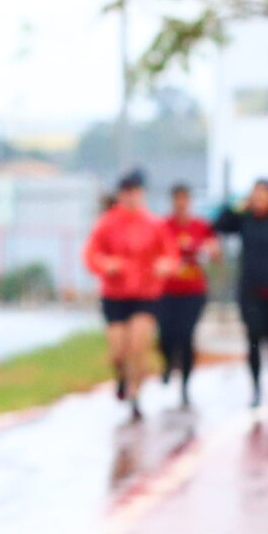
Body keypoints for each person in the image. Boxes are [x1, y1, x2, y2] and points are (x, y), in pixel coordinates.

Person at [83, 170, 172, 418]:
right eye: (127, 193)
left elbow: (170, 254)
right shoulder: (107, 224)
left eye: (135, 192)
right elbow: (91, 254)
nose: (131, 198)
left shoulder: (155, 224)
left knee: (138, 345)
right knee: (118, 351)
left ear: (142, 194)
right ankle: (122, 377)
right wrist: (105, 264)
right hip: (115, 294)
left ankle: (135, 394)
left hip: (146, 293)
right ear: (120, 195)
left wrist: (165, 265)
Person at [213, 180, 268, 410]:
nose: (258, 200)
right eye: (255, 195)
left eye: (263, 195)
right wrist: (238, 204)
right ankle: (256, 389)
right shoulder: (245, 219)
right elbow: (220, 224)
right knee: (254, 338)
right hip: (252, 292)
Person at [157, 183, 217, 408]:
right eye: (177, 199)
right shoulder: (163, 226)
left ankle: (185, 385)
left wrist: (211, 251)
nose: (181, 203)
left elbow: (214, 250)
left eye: (185, 199)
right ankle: (167, 362)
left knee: (186, 335)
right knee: (166, 334)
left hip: (193, 291)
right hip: (166, 291)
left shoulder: (201, 226)